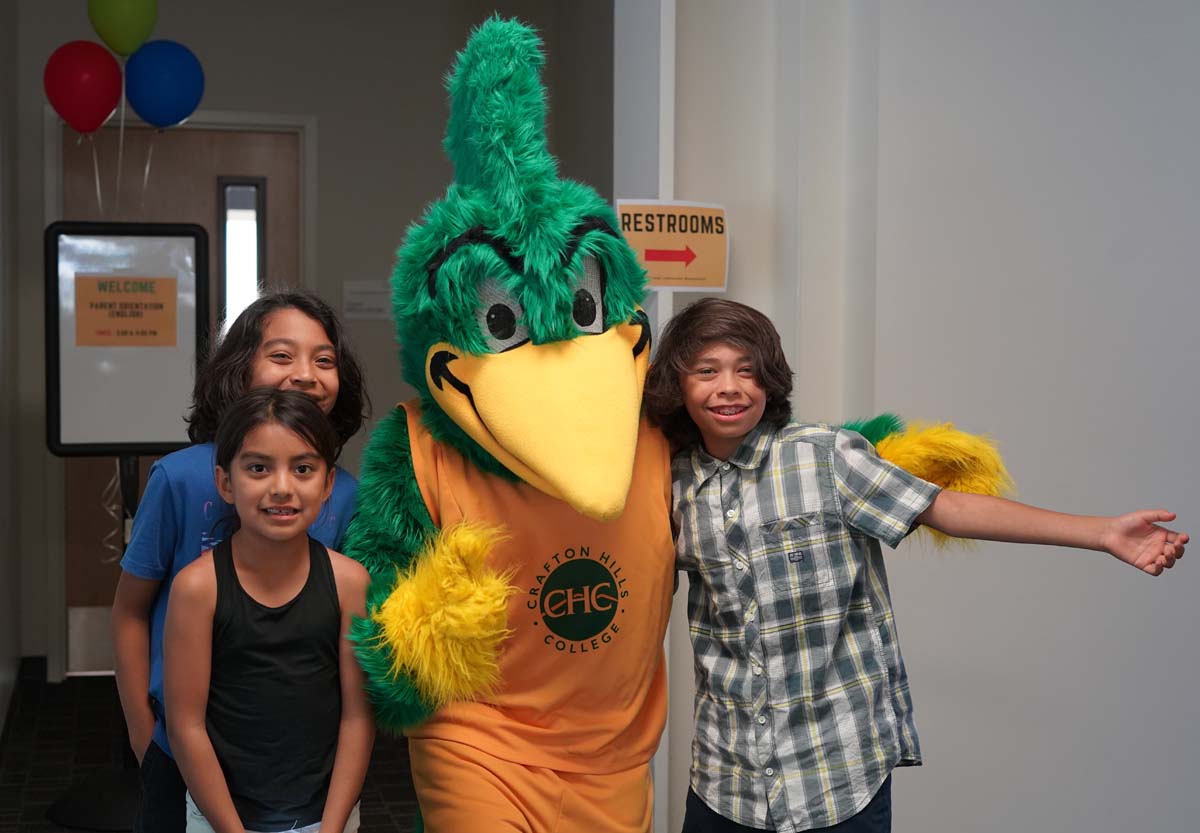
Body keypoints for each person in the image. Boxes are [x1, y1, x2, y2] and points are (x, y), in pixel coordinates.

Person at [644, 298, 1187, 833]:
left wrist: (1102, 532)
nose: (730, 387)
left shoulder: (825, 457)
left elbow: (948, 509)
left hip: (837, 774)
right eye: (706, 371)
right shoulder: (671, 483)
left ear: (770, 381)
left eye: (747, 370)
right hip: (725, 780)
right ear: (679, 384)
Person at [111, 290, 369, 833]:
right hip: (182, 743)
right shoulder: (180, 478)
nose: (304, 374)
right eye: (281, 355)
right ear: (239, 368)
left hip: (299, 761)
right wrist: (144, 733)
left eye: (324, 360)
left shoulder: (343, 495)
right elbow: (131, 611)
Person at [164, 388, 373, 833]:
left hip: (327, 816)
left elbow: (358, 717)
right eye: (258, 468)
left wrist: (333, 827)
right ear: (225, 482)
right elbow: (186, 725)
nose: (282, 487)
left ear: (328, 483)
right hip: (220, 819)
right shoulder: (197, 588)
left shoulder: (350, 583)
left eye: (303, 469)